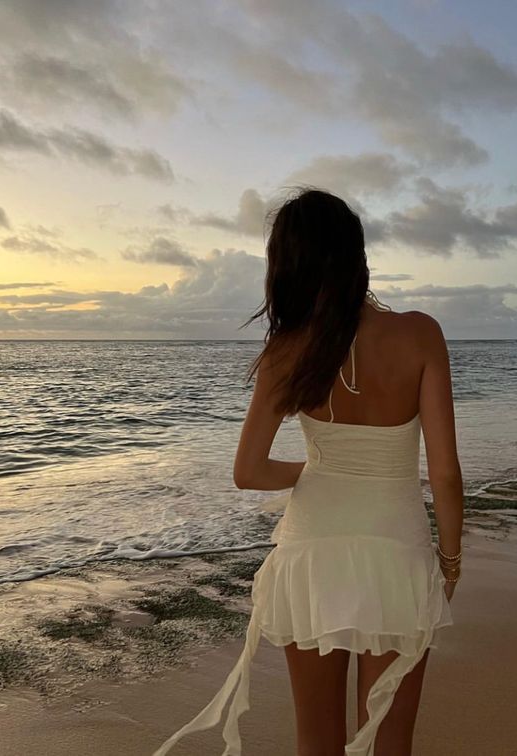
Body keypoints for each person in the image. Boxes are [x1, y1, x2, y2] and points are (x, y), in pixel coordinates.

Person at [152, 188, 464, 756]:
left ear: (286, 266)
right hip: (398, 550)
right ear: (356, 255)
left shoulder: (287, 350)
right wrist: (451, 561)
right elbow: (445, 474)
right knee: (391, 739)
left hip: (312, 553)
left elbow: (248, 471)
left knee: (315, 741)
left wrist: (318, 468)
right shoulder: (421, 334)